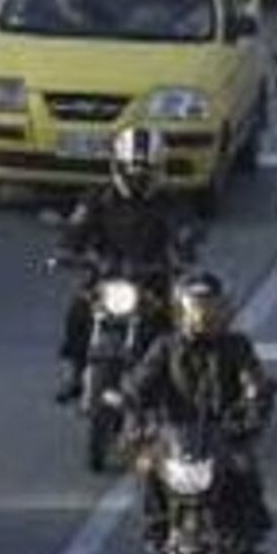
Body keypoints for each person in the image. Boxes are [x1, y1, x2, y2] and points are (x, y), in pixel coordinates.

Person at [116, 271, 277, 554]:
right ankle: (157, 545)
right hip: (173, 437)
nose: (203, 316)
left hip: (222, 434)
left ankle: (244, 545)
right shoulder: (165, 346)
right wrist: (132, 405)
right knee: (147, 469)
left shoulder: (237, 347)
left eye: (211, 308)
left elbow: (254, 381)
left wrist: (256, 401)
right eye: (196, 308)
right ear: (181, 310)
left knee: (245, 471)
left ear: (224, 310)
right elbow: (140, 382)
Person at [52, 126, 198, 404]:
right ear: (117, 167)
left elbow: (185, 229)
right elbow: (76, 227)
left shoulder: (170, 202)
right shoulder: (98, 198)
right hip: (105, 276)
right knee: (78, 311)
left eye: (145, 174)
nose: (138, 179)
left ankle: (174, 387)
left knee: (174, 327)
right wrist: (68, 250)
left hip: (151, 279)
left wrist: (185, 248)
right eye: (132, 173)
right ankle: (75, 372)